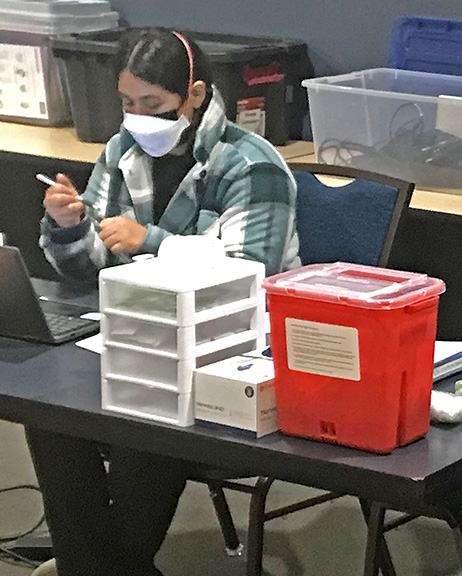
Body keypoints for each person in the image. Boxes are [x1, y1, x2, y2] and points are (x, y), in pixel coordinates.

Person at [27, 27, 300, 576]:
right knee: (48, 410)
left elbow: (251, 272)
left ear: (193, 96)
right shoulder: (122, 151)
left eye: (152, 104)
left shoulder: (252, 165)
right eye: (128, 103)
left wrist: (149, 240)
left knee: (147, 414)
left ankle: (94, 566)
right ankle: (105, 567)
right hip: (136, 332)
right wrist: (67, 228)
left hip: (229, 347)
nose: (137, 117)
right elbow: (91, 269)